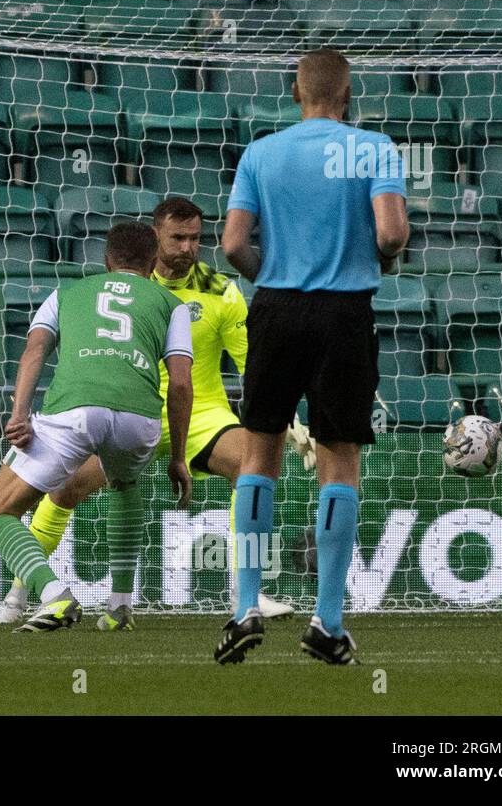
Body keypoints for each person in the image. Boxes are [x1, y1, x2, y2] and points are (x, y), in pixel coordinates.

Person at [0, 197, 297, 630]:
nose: (188, 248)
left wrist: (286, 417)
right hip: (137, 409)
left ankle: (246, 592)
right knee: (64, 492)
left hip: (196, 414)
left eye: (196, 239)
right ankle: (18, 596)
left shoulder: (219, 289)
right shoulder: (151, 294)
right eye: (178, 238)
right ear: (153, 240)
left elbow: (250, 362)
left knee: (252, 465)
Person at [216, 48, 409, 665]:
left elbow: (231, 245)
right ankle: (326, 622)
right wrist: (377, 257)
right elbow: (392, 234)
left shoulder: (261, 152)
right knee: (338, 460)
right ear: (348, 92)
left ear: (295, 90)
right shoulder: (373, 147)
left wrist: (270, 273)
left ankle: (246, 605)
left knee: (259, 453)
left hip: (274, 308)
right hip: (344, 313)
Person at [0, 220, 194, 633]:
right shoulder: (172, 304)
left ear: (106, 260)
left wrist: (19, 415)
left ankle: (54, 596)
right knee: (125, 484)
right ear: (153, 263)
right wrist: (179, 456)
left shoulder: (66, 293)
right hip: (139, 418)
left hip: (73, 412)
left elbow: (34, 351)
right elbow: (181, 383)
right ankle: (119, 608)